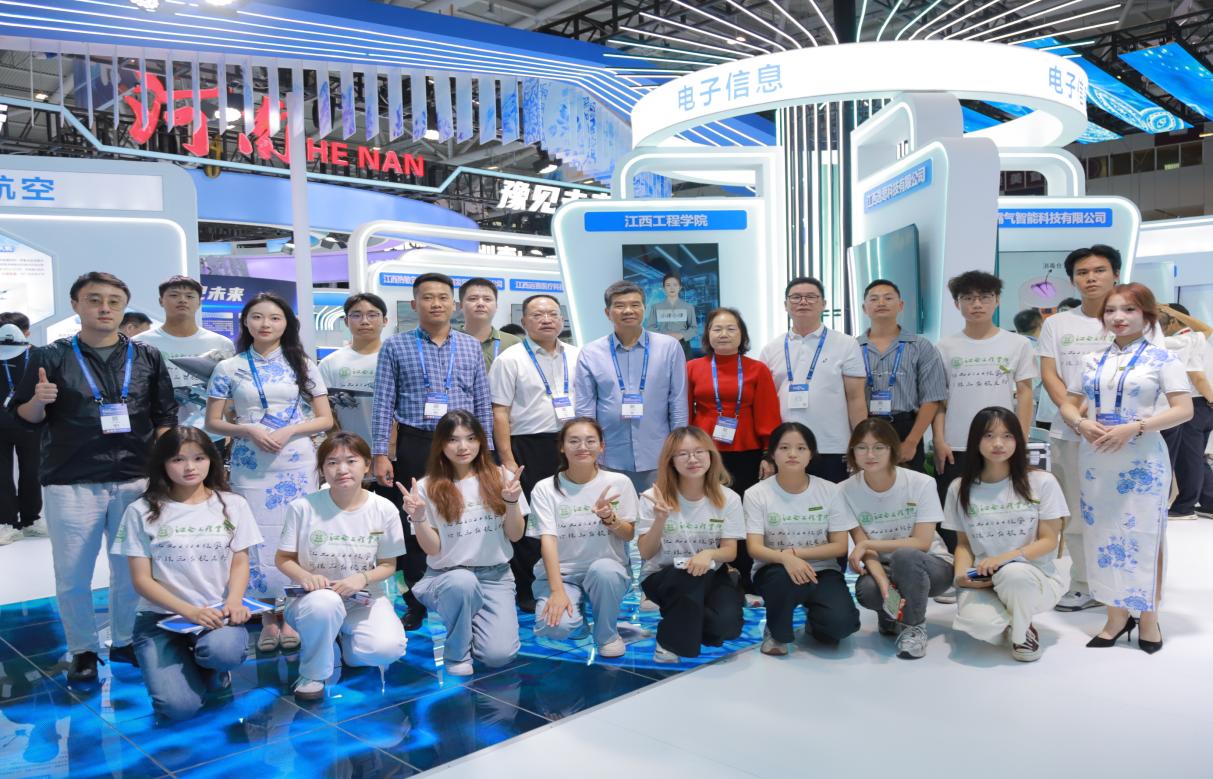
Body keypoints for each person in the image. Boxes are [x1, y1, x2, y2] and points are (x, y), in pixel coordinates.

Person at [13, 272, 177, 682]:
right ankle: (83, 649)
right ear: (76, 305)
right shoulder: (49, 356)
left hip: (135, 478)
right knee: (73, 574)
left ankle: (124, 640)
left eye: (114, 301)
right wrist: (39, 401)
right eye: (94, 300)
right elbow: (24, 417)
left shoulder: (146, 356)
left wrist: (163, 471)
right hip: (72, 480)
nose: (105, 308)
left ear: (124, 307)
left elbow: (164, 416)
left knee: (130, 571)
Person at [1059, 284, 1192, 654]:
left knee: (1146, 537)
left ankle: (1148, 617)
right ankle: (1116, 617)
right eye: (1110, 310)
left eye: (1129, 310)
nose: (1118, 317)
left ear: (1146, 315)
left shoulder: (1163, 359)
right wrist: (1081, 423)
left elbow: (1184, 410)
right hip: (1096, 458)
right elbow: (1069, 404)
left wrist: (1136, 427)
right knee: (1101, 536)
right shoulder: (1091, 360)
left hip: (1142, 461)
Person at [1037, 245, 1164, 612]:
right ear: (1072, 280)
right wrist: (1077, 418)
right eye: (1082, 272)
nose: (1090, 278)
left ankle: (1133, 587)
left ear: (1116, 273)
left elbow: (1155, 372)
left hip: (1130, 438)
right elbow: (1050, 374)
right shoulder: (1057, 324)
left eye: (1099, 270)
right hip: (1071, 434)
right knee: (1079, 513)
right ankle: (1085, 583)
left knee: (1130, 512)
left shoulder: (1141, 322)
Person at [205, 292, 333, 653]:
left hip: (296, 462)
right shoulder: (228, 367)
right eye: (257, 317)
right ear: (245, 322)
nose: (265, 324)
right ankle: (265, 616)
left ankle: (291, 613)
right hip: (250, 463)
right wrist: (247, 429)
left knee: (295, 533)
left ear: (286, 324)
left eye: (275, 318)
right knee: (254, 535)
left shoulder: (302, 364)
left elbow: (325, 419)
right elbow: (212, 422)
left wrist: (291, 430)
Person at [371, 273, 494, 630]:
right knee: (413, 520)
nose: (436, 303)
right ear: (414, 304)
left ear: (453, 304)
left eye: (443, 297)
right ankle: (416, 600)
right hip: (416, 442)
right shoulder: (395, 346)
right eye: (427, 297)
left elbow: (482, 401)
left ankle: (465, 587)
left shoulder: (470, 346)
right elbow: (383, 402)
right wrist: (380, 453)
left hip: (462, 445)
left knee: (465, 514)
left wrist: (485, 451)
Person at [116, 426, 261, 720]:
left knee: (224, 652)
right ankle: (186, 660)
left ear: (211, 460)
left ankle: (210, 664)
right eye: (178, 459)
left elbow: (240, 561)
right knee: (178, 709)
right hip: (161, 619)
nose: (190, 467)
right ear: (163, 463)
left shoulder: (233, 504)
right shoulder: (140, 510)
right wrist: (190, 612)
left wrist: (234, 600)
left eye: (198, 458)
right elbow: (141, 580)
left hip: (217, 614)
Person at [276, 432, 409, 700]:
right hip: (312, 600)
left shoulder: (384, 509)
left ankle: (344, 642)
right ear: (322, 469)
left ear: (367, 465)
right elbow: (283, 558)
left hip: (362, 598)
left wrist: (362, 578)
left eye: (351, 461)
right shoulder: (303, 508)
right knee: (324, 604)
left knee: (387, 649)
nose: (342, 469)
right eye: (332, 462)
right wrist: (305, 576)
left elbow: (388, 565)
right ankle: (313, 673)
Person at [399, 411, 527, 676]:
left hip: (495, 576)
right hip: (447, 576)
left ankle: (472, 619)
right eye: (453, 440)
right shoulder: (426, 487)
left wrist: (512, 503)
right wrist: (419, 518)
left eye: (470, 438)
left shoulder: (502, 477)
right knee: (462, 583)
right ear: (440, 444)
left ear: (481, 440)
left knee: (498, 656)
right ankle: (457, 652)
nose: (463, 447)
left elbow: (515, 535)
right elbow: (432, 549)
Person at [942, 407, 1067, 662]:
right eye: (988, 435)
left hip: (1032, 576)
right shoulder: (959, 488)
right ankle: (1013, 618)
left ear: (1018, 440)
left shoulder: (1042, 482)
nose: (998, 443)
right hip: (983, 578)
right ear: (975, 441)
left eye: (1007, 436)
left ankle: (1022, 633)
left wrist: (1005, 559)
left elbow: (1048, 541)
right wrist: (961, 575)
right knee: (978, 626)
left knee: (1013, 574)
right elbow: (963, 544)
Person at [489, 293, 581, 612]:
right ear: (524, 321)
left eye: (552, 314)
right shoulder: (510, 359)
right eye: (538, 315)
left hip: (571, 445)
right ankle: (527, 587)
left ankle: (569, 580)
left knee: (569, 513)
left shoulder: (577, 355)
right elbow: (499, 412)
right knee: (530, 519)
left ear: (562, 319)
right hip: (526, 446)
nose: (546, 320)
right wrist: (507, 459)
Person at [933, 271, 1037, 546]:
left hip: (1002, 442)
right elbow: (939, 400)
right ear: (956, 303)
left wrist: (1020, 437)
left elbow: (1025, 393)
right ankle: (955, 562)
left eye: (984, 297)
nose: (976, 304)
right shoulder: (945, 346)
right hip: (956, 443)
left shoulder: (1017, 344)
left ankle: (998, 559)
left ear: (997, 301)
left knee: (1000, 506)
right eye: (968, 298)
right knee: (954, 510)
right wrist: (939, 440)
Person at [745, 422, 858, 656]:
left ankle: (815, 619)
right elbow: (754, 548)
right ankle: (776, 632)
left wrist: (796, 554)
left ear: (811, 454)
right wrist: (786, 560)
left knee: (839, 627)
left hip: (822, 571)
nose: (792, 454)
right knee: (781, 581)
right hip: (775, 569)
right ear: (773, 453)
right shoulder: (756, 494)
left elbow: (839, 546)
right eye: (784, 447)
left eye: (801, 448)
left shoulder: (831, 491)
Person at [687, 307, 780, 591]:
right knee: (705, 510)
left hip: (746, 452)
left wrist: (768, 453)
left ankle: (744, 572)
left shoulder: (757, 369)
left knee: (742, 512)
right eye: (717, 329)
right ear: (707, 335)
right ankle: (707, 570)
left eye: (731, 329)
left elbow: (767, 412)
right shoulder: (693, 367)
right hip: (703, 453)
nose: (724, 334)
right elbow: (685, 411)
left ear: (742, 335)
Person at [841, 418, 951, 660]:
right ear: (852, 452)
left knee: (906, 555)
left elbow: (922, 542)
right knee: (868, 590)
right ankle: (890, 614)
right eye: (862, 447)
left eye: (879, 447)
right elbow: (864, 549)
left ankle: (914, 627)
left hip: (931, 565)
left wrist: (868, 543)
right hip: (884, 567)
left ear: (892, 449)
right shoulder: (844, 491)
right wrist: (883, 583)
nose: (870, 454)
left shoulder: (921, 483)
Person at [527, 417, 637, 656]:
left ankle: (607, 635)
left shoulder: (619, 483)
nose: (582, 447)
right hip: (563, 575)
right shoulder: (545, 488)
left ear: (602, 446)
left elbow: (629, 534)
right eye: (574, 441)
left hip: (606, 571)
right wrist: (557, 591)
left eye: (590, 441)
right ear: (562, 447)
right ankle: (577, 622)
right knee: (554, 626)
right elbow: (548, 541)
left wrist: (610, 518)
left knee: (604, 571)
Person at [636, 427, 744, 662]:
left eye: (699, 452)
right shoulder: (653, 497)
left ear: (711, 455)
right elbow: (646, 552)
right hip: (663, 575)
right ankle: (668, 643)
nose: (692, 459)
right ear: (671, 460)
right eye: (683, 454)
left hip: (710, 573)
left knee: (726, 627)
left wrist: (709, 554)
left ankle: (685, 615)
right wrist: (660, 519)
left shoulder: (729, 498)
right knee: (687, 579)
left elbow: (730, 552)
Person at [574, 280, 688, 492]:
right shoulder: (591, 352)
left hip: (658, 454)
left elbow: (678, 401)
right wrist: (588, 450)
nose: (628, 310)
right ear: (607, 312)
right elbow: (585, 408)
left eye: (635, 305)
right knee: (613, 510)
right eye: (619, 305)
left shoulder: (669, 347)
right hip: (608, 456)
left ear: (644, 309)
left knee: (658, 509)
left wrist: (679, 448)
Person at [759, 276, 866, 484]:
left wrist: (860, 443)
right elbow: (765, 404)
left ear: (823, 304)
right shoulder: (771, 349)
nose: (803, 302)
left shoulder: (846, 344)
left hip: (832, 445)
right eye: (796, 297)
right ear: (785, 305)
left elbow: (856, 398)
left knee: (833, 502)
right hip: (785, 448)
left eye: (811, 297)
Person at [857, 279, 947, 471]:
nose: (881, 303)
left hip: (906, 427)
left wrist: (912, 442)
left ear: (900, 305)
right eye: (874, 299)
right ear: (864, 308)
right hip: (864, 426)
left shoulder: (920, 346)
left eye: (888, 298)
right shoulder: (852, 347)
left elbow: (931, 398)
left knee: (908, 486)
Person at [134, 276, 235, 439]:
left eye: (189, 296)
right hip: (160, 432)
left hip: (212, 435)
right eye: (174, 295)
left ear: (199, 302)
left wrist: (230, 431)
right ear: (161, 301)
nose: (182, 300)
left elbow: (230, 392)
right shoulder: (140, 343)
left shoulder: (221, 344)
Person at [1157, 303, 1213, 520]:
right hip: (1203, 404)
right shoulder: (1198, 340)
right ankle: (1206, 502)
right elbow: (1206, 329)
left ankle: (1184, 507)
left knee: (1188, 459)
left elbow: (1197, 377)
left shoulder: (1183, 341)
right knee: (1196, 458)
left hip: (1194, 403)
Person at [0, 318, 42, 542]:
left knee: (33, 472)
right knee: (2, 475)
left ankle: (31, 519)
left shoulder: (38, 355)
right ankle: (6, 521)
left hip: (29, 422)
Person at [457, 277, 520, 372]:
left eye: (487, 299)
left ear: (496, 306)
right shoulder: (449, 341)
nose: (480, 303)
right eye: (473, 299)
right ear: (461, 305)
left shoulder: (513, 343)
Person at [645, 273, 698, 359]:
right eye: (668, 285)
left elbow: (694, 329)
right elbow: (650, 327)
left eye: (675, 285)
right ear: (663, 289)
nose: (672, 288)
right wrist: (664, 335)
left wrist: (681, 335)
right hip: (662, 346)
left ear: (680, 287)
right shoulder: (656, 307)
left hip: (683, 346)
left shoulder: (688, 307)